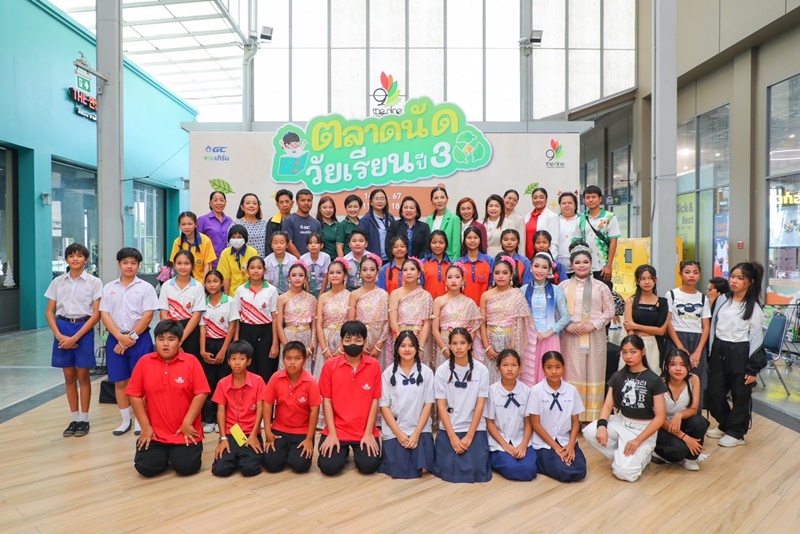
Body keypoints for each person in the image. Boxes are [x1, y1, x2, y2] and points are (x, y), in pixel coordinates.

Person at [127, 320, 211, 477]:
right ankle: (166, 454)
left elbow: (201, 393)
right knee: (145, 468)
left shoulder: (191, 361)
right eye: (161, 339)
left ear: (180, 341)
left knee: (187, 468)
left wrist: (187, 423)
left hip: (184, 430)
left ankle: (173, 454)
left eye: (171, 339)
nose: (165, 344)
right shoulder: (145, 362)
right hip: (155, 433)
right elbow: (134, 394)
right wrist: (145, 427)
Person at [583, 334, 667, 482]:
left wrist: (638, 440)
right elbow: (607, 405)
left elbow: (660, 417)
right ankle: (623, 456)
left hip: (642, 430)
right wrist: (602, 426)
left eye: (633, 352)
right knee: (590, 431)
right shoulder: (618, 376)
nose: (628, 356)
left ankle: (639, 457)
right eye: (624, 352)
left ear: (643, 352)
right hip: (621, 422)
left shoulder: (654, 379)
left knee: (624, 473)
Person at [706, 261, 767, 447]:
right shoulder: (722, 300)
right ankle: (725, 424)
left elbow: (756, 339)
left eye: (740, 278)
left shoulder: (754, 308)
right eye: (732, 277)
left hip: (741, 352)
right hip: (719, 350)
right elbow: (713, 327)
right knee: (714, 393)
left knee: (740, 395)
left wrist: (752, 368)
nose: (734, 281)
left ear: (750, 282)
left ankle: (736, 433)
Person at [44, 242, 102, 437]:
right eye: (71, 256)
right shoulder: (58, 282)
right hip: (62, 327)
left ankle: (84, 419)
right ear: (66, 259)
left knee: (83, 375)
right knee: (69, 376)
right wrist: (59, 335)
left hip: (83, 328)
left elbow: (96, 314)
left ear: (86, 259)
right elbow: (49, 312)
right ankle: (74, 418)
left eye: (79, 255)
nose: (75, 259)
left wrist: (76, 337)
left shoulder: (94, 282)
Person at [100, 247, 159, 436]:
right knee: (119, 382)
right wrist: (120, 337)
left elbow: (148, 316)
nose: (129, 266)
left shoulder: (146, 288)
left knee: (141, 382)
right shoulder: (109, 288)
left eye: (133, 263)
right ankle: (125, 421)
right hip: (115, 338)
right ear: (119, 264)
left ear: (138, 265)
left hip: (140, 340)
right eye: (125, 262)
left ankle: (141, 420)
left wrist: (130, 338)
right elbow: (105, 315)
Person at [318, 321, 383, 476]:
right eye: (348, 340)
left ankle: (353, 448)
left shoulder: (374, 365)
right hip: (337, 429)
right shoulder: (330, 365)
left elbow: (375, 400)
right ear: (341, 342)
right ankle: (343, 451)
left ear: (365, 342)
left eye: (358, 340)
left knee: (369, 466)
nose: (353, 344)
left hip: (364, 429)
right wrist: (332, 434)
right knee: (328, 467)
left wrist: (369, 433)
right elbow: (327, 401)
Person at [558, 242, 614, 422]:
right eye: (577, 262)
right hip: (570, 336)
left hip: (594, 335)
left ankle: (592, 418)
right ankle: (573, 417)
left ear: (591, 264)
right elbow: (556, 311)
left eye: (585, 262)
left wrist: (594, 325)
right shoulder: (563, 286)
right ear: (572, 265)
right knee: (572, 373)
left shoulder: (601, 286)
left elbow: (610, 311)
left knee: (594, 373)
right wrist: (566, 326)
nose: (581, 265)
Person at [434, 328, 491, 483]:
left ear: (470, 345)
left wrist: (470, 435)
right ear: (449, 346)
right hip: (450, 427)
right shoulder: (442, 371)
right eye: (454, 343)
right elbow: (441, 405)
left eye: (462, 343)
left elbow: (480, 405)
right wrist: (452, 437)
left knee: (476, 469)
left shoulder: (482, 370)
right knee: (449, 468)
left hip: (474, 427)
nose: (458, 347)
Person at [378, 331, 436, 479]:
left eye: (411, 346)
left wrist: (416, 434)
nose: (407, 349)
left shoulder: (427, 372)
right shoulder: (387, 373)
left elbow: (428, 405)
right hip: (396, 428)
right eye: (403, 346)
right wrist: (399, 434)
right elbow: (384, 406)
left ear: (417, 348)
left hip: (420, 428)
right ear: (397, 349)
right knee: (400, 469)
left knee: (423, 468)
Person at [263, 341, 322, 473]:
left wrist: (309, 439)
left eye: (297, 358)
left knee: (300, 466)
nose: (292, 362)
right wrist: (268, 431)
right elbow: (267, 403)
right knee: (271, 465)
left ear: (304, 360)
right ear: (283, 359)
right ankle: (285, 452)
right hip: (279, 429)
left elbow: (315, 410)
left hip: (302, 431)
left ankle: (290, 453)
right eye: (288, 358)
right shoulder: (276, 377)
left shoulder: (311, 381)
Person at [529, 352, 587, 482]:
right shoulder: (536, 391)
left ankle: (560, 458)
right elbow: (535, 424)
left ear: (563, 367)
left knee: (580, 470)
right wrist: (556, 448)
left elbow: (575, 422)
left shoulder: (571, 390)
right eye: (549, 367)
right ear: (543, 369)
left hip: (565, 439)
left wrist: (571, 445)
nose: (554, 371)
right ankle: (542, 460)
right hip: (545, 442)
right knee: (564, 471)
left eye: (558, 367)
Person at [211, 340, 265, 477]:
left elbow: (260, 409)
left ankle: (244, 457)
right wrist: (223, 438)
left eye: (241, 359)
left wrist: (254, 435)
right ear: (228, 361)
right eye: (233, 359)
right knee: (220, 470)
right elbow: (220, 411)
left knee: (250, 470)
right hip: (231, 432)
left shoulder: (258, 381)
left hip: (251, 432)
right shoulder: (222, 383)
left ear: (249, 361)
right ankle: (236, 457)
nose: (237, 362)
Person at [480, 256, 537, 385]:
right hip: (491, 341)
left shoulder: (517, 294)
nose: (501, 276)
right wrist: (487, 347)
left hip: (512, 340)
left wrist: (513, 344)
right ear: (492, 275)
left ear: (511, 275)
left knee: (511, 376)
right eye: (497, 273)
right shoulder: (485, 295)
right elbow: (482, 323)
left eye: (505, 273)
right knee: (492, 379)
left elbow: (521, 322)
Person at [485, 349, 536, 481]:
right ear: (498, 368)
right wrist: (504, 445)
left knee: (529, 469)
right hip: (499, 441)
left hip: (521, 439)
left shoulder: (526, 391)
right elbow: (490, 423)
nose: (509, 369)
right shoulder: (492, 391)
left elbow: (529, 422)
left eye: (513, 365)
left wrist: (523, 444)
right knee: (512, 468)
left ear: (519, 367)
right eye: (505, 365)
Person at [653, 349, 709, 471]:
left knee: (699, 422)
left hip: (681, 422)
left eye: (683, 365)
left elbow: (694, 409)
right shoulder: (659, 383)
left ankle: (690, 458)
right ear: (666, 366)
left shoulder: (693, 379)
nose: (678, 369)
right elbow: (660, 418)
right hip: (662, 426)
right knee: (679, 450)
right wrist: (685, 438)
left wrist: (679, 415)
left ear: (688, 367)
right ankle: (659, 452)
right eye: (673, 364)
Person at [665, 260, 711, 405]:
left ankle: (695, 412)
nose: (691, 275)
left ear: (700, 275)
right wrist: (680, 347)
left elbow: (706, 326)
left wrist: (699, 351)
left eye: (695, 272)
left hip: (697, 341)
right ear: (680, 274)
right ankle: (672, 410)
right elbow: (668, 323)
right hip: (676, 338)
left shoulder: (703, 298)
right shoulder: (671, 294)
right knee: (674, 375)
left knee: (697, 377)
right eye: (687, 272)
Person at [199, 269, 238, 433]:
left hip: (224, 344)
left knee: (225, 383)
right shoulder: (202, 302)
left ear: (222, 283)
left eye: (215, 281)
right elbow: (202, 328)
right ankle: (210, 419)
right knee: (209, 383)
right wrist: (202, 350)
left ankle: (225, 417)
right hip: (208, 344)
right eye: (208, 282)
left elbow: (232, 327)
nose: (212, 284)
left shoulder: (230, 301)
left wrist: (224, 351)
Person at [521, 253, 570, 384]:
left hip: (549, 337)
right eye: (536, 266)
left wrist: (548, 333)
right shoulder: (523, 290)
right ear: (531, 268)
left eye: (544, 267)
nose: (539, 270)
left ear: (549, 270)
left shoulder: (556, 290)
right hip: (529, 338)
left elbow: (565, 317)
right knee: (529, 374)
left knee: (549, 371)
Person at [233, 256, 279, 386]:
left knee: (266, 367)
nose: (255, 271)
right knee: (248, 365)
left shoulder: (271, 290)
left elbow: (275, 318)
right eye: (252, 268)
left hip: (266, 332)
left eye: (259, 268)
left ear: (264, 270)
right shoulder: (241, 290)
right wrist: (236, 339)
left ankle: (264, 396)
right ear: (247, 270)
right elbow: (236, 317)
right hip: (246, 331)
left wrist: (275, 343)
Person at [432, 263, 484, 369]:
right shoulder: (438, 301)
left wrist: (465, 347)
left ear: (463, 280)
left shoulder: (469, 303)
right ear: (445, 281)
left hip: (463, 349)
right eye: (450, 277)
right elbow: (435, 329)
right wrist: (445, 350)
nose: (453, 280)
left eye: (457, 277)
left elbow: (473, 328)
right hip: (444, 346)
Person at [158, 250, 206, 363]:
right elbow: (163, 314)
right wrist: (172, 337)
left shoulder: (198, 287)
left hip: (190, 331)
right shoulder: (166, 286)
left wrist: (180, 340)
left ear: (192, 266)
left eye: (186, 263)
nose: (183, 267)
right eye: (179, 263)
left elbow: (196, 316)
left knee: (189, 363)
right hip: (170, 329)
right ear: (174, 265)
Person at [388, 258, 434, 368]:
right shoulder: (395, 294)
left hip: (420, 338)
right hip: (400, 337)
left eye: (412, 269)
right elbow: (393, 321)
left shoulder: (426, 295)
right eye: (405, 270)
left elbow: (427, 323)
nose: (408, 272)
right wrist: (400, 343)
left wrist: (420, 346)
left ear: (419, 273)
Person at [572, 185, 620, 287]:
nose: (590, 200)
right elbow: (577, 243)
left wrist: (609, 265)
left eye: (593, 197)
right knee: (585, 295)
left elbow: (613, 242)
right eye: (587, 197)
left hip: (602, 267)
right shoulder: (581, 219)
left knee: (603, 294)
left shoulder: (610, 217)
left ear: (600, 199)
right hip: (585, 267)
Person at [623, 265, 669, 371]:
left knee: (653, 374)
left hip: (654, 344)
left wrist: (635, 326)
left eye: (650, 278)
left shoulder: (662, 302)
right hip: (635, 344)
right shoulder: (631, 301)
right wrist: (633, 349)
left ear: (655, 280)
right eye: (643, 279)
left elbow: (661, 331)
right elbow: (629, 329)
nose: (647, 282)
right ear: (637, 281)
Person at [348, 254, 390, 362]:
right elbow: (351, 322)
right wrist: (359, 343)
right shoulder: (354, 294)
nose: (368, 273)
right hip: (359, 339)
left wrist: (378, 346)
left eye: (372, 269)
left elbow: (387, 323)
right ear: (360, 272)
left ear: (377, 272)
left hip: (380, 340)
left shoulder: (383, 294)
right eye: (364, 269)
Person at [275, 262, 317, 371]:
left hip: (306, 337)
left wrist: (311, 346)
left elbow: (314, 325)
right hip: (289, 336)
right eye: (294, 275)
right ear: (289, 278)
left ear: (305, 278)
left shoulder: (311, 298)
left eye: (301, 275)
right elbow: (279, 325)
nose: (297, 278)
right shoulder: (282, 298)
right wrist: (286, 346)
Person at [315, 258, 351, 382]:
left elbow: (351, 322)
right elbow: (319, 324)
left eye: (338, 272)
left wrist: (342, 348)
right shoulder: (323, 297)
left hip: (344, 339)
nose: (334, 275)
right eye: (331, 273)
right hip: (326, 339)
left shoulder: (350, 296)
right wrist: (324, 348)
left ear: (345, 275)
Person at [170, 211, 217, 282]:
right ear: (179, 226)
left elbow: (207, 265)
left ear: (195, 224)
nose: (186, 227)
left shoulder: (206, 240)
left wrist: (204, 283)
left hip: (201, 282)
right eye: (183, 224)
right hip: (183, 281)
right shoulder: (177, 242)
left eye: (190, 224)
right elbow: (175, 264)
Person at [217, 224, 259, 297]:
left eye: (239, 237)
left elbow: (256, 274)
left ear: (245, 238)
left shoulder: (252, 252)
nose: (236, 240)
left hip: (250, 292)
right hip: (232, 293)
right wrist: (227, 297)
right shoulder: (225, 253)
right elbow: (225, 277)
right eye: (233, 237)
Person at [459, 226, 494, 307]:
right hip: (464, 307)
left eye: (475, 237)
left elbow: (491, 286)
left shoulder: (489, 261)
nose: (472, 240)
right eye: (469, 238)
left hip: (484, 306)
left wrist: (485, 306)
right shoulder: (459, 263)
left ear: (480, 240)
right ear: (464, 240)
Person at [358, 188, 395, 262]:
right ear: (371, 202)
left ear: (386, 202)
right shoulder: (365, 220)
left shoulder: (390, 218)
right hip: (373, 260)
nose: (379, 201)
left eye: (382, 199)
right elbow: (361, 241)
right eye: (376, 199)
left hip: (390, 259)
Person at [523, 187, 561, 261]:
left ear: (546, 200)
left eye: (541, 197)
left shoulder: (552, 216)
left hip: (543, 260)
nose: (538, 200)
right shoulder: (527, 216)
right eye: (535, 198)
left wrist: (550, 261)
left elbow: (554, 243)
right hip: (527, 258)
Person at [197, 191, 232, 267]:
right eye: (215, 200)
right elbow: (197, 242)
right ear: (210, 203)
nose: (219, 203)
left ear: (225, 203)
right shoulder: (202, 220)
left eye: (222, 200)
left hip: (228, 263)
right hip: (210, 263)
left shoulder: (230, 221)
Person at [283, 189, 321, 257]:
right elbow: (288, 243)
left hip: (312, 262)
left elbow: (319, 244)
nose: (306, 203)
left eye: (309, 200)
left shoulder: (316, 223)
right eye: (303, 200)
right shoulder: (289, 220)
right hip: (294, 262)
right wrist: (301, 260)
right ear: (297, 202)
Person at [426, 186, 461, 260]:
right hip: (432, 260)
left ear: (447, 199)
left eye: (442, 197)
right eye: (436, 198)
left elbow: (456, 247)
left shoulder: (454, 219)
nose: (439, 201)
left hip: (448, 261)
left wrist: (454, 264)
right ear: (432, 201)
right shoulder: (429, 219)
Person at [422, 230, 452, 300]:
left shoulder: (452, 264)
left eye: (441, 242)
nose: (437, 246)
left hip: (447, 303)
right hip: (427, 303)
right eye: (434, 242)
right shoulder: (422, 263)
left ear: (446, 244)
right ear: (429, 244)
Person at [556, 192, 580, 277]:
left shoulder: (582, 220)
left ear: (575, 205)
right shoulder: (554, 220)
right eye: (564, 203)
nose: (567, 205)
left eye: (570, 203)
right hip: (557, 266)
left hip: (578, 266)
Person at [300, 232, 331, 298]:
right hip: (308, 288)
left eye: (316, 243)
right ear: (307, 246)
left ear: (321, 245)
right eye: (310, 243)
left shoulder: (326, 257)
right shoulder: (303, 258)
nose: (313, 245)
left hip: (323, 288)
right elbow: (305, 278)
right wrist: (308, 294)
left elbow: (326, 277)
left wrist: (321, 295)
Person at [265, 189, 295, 256]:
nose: (284, 205)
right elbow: (269, 244)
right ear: (277, 205)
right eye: (281, 202)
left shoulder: (296, 220)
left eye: (287, 201)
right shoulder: (272, 222)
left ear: (292, 203)